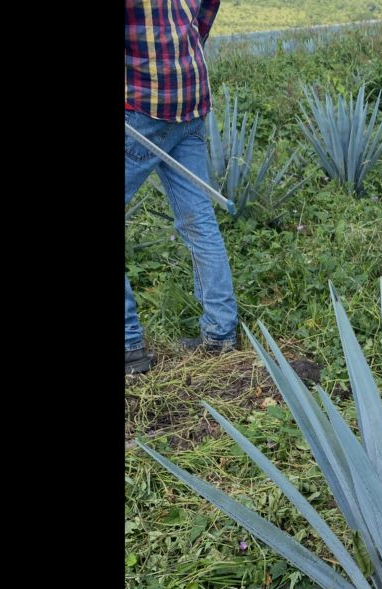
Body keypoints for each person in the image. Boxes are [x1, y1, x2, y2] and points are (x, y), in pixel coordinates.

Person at [125, 0, 238, 375]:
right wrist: (180, 48)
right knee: (198, 219)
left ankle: (129, 347)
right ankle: (220, 333)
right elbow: (207, 9)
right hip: (190, 99)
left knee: (198, 219)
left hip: (143, 107)